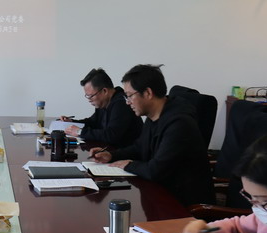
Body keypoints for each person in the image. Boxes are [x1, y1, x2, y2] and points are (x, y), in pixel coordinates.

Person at [90, 64, 214, 206]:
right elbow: (139, 147)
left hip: (184, 205)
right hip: (161, 193)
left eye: (129, 96)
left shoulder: (180, 124)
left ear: (148, 93)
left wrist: (129, 165)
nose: (127, 102)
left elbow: (155, 170)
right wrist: (112, 155)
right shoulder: (154, 115)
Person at [59, 68, 142, 147]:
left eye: (90, 96)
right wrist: (71, 122)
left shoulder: (122, 103)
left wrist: (79, 131)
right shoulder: (104, 103)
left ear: (104, 91)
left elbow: (111, 135)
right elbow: (93, 122)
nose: (89, 100)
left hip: (127, 153)